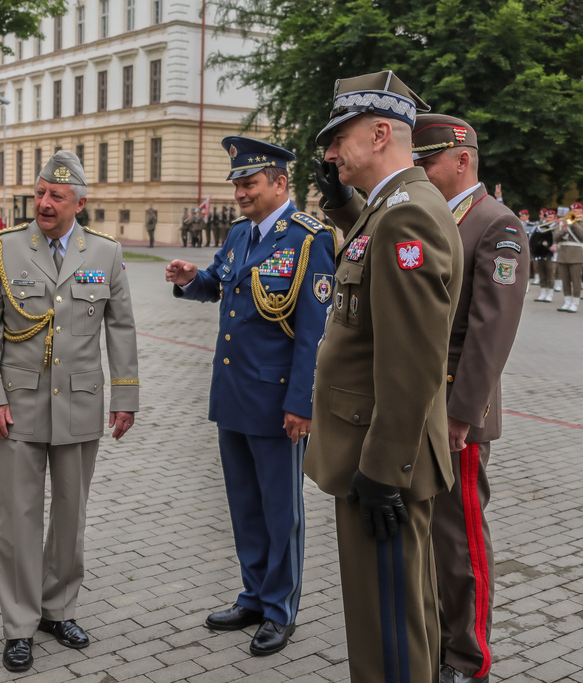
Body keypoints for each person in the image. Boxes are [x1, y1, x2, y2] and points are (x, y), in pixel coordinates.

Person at [306, 70, 463, 683]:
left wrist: (381, 470)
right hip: (380, 447)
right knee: (399, 612)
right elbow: (368, 257)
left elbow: (414, 358)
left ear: (377, 134)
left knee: (388, 628)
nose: (330, 152)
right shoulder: (396, 206)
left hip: (380, 455)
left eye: (338, 138)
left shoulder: (405, 217)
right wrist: (341, 199)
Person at [0, 151, 139, 673]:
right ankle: (18, 625)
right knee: (17, 520)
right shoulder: (4, 248)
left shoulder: (106, 254)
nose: (44, 203)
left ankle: (57, 609)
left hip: (82, 404)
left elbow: (122, 328)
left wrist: (126, 397)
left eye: (56, 196)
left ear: (80, 203)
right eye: (40, 193)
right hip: (17, 405)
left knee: (70, 516)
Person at [166, 137, 336, 656]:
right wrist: (191, 279)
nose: (240, 192)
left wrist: (301, 403)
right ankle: (255, 594)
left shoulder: (309, 239)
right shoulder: (240, 234)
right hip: (234, 393)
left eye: (249, 183)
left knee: (280, 510)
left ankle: (281, 609)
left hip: (277, 399)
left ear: (280, 183)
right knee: (244, 504)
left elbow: (313, 333)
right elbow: (219, 282)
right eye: (236, 184)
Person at [411, 114, 528, 683]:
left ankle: (468, 658)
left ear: (462, 160)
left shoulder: (495, 224)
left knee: (460, 543)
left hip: (458, 411)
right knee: (429, 537)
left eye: (428, 162)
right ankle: (437, 640)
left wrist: (462, 414)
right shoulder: (432, 219)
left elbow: (490, 330)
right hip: (421, 405)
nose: (421, 172)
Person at [554, 203, 583, 312]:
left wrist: (573, 222)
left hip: (576, 255)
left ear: (581, 212)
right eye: (572, 211)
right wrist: (562, 230)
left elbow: (582, 236)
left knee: (575, 280)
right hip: (563, 255)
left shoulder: (580, 222)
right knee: (565, 280)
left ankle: (575, 303)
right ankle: (567, 302)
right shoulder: (563, 222)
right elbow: (555, 238)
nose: (573, 213)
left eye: (576, 211)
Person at [531, 210, 557, 301]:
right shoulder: (541, 227)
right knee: (542, 273)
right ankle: (543, 293)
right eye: (547, 217)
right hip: (541, 253)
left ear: (555, 218)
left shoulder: (557, 227)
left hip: (552, 254)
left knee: (550, 274)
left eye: (550, 217)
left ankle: (549, 294)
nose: (548, 219)